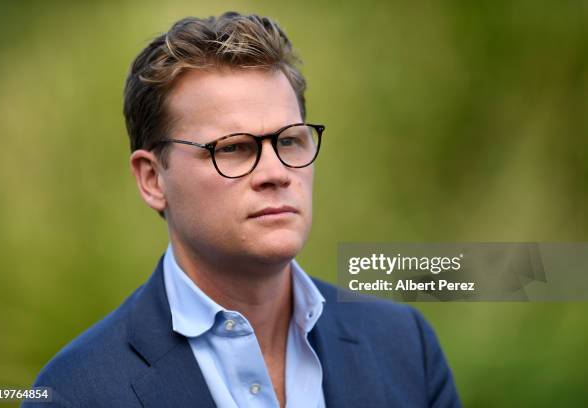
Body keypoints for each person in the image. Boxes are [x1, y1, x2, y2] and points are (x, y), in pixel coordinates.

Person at [25, 12, 460, 408]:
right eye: (232, 148)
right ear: (153, 179)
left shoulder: (405, 347)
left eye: (289, 140)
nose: (276, 172)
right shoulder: (73, 395)